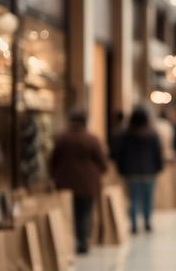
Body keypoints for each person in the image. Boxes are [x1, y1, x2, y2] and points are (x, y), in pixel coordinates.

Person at [50, 110, 107, 254]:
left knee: (71, 213)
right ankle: (83, 241)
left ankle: (72, 241)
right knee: (85, 212)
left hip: (65, 182)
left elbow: (53, 160)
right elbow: (102, 162)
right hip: (88, 183)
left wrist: (54, 176)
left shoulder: (62, 139)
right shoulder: (92, 139)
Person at [116, 106, 163, 234]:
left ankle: (134, 225)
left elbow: (121, 154)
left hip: (132, 172)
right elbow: (157, 153)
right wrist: (159, 167)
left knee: (134, 199)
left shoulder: (126, 135)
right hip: (149, 171)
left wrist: (121, 169)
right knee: (148, 198)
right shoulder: (152, 134)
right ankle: (147, 222)